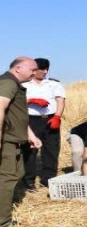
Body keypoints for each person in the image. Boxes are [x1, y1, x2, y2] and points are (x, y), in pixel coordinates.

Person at [0, 57, 42, 227]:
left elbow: (17, 115)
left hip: (15, 139)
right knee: (7, 178)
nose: (35, 73)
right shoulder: (8, 83)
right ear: (18, 68)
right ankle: (3, 221)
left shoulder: (13, 84)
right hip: (7, 140)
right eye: (32, 69)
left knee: (18, 173)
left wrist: (30, 135)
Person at [21, 58, 66, 190]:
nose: (45, 72)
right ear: (33, 70)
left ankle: (48, 179)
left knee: (51, 149)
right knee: (30, 150)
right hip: (31, 120)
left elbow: (60, 100)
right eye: (42, 69)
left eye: (47, 69)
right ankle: (29, 181)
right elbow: (17, 103)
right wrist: (31, 101)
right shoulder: (24, 85)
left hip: (50, 119)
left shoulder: (54, 84)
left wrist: (57, 116)